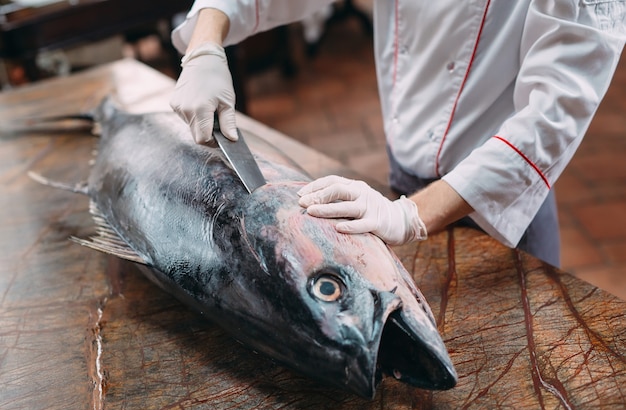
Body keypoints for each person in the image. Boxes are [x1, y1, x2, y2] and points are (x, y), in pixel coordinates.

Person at [169, 1, 625, 267]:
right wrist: (206, 42)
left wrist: (409, 217)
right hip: (398, 182)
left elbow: (552, 115)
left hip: (499, 202)